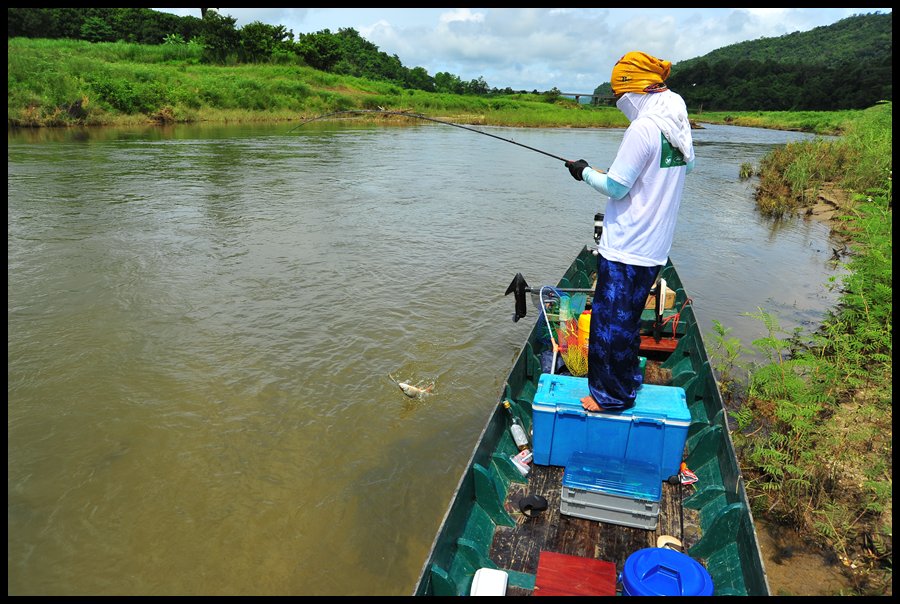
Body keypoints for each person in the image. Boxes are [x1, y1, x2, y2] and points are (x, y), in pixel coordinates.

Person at [564, 51, 695, 412]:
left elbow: (617, 188)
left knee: (609, 328)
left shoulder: (643, 127)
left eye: (620, 98)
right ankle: (628, 380)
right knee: (627, 322)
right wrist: (618, 174)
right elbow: (661, 174)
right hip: (654, 248)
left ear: (633, 91)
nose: (621, 104)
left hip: (627, 245)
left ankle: (612, 397)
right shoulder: (676, 123)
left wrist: (584, 171)